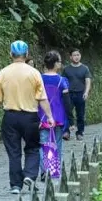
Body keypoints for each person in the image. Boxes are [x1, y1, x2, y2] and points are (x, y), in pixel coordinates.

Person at [0, 40, 55, 194]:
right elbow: (42, 98)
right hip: (30, 117)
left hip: (10, 117)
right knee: (32, 147)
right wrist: (49, 116)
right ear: (26, 54)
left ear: (10, 54)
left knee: (14, 151)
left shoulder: (3, 73)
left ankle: (16, 185)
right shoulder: (34, 73)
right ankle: (30, 175)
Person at [39, 51, 72, 180]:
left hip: (41, 116)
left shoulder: (39, 79)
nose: (61, 64)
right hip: (58, 117)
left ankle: (44, 171)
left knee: (43, 143)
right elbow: (67, 101)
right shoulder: (62, 81)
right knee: (57, 144)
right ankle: (53, 171)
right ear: (56, 63)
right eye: (59, 61)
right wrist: (70, 120)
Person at [62, 49, 92, 141]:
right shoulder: (66, 69)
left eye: (78, 55)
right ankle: (66, 132)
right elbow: (63, 82)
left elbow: (88, 81)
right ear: (70, 57)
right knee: (67, 113)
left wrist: (86, 92)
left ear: (80, 56)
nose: (76, 57)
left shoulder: (85, 68)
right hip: (69, 94)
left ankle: (80, 133)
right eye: (74, 55)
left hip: (80, 94)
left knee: (80, 114)